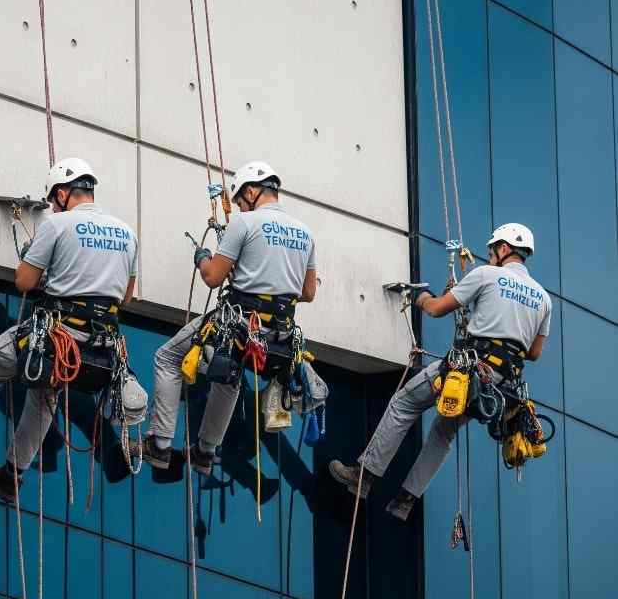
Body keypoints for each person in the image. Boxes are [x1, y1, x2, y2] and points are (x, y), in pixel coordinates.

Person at [0, 157, 138, 499]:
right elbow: (125, 296)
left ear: (64, 192)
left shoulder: (56, 226)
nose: (52, 205)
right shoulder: (127, 233)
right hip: (99, 347)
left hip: (59, 337)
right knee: (45, 396)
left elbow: (24, 281)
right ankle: (12, 474)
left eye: (54, 199)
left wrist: (38, 262)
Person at [329, 222, 551, 521]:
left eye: (491, 251)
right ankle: (405, 501)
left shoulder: (487, 275)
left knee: (404, 403)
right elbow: (534, 353)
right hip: (500, 387)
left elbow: (435, 309)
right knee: (444, 431)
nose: (489, 256)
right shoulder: (543, 299)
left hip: (468, 370)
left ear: (503, 248)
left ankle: (363, 476)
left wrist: (419, 296)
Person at [137, 160, 317, 475]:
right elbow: (309, 292)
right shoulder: (305, 233)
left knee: (167, 358)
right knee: (228, 378)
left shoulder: (244, 224)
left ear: (251, 191)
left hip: (238, 324)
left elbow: (212, 278)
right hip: (280, 336)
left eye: (239, 201)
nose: (240, 208)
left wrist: (203, 258)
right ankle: (205, 453)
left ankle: (160, 444)